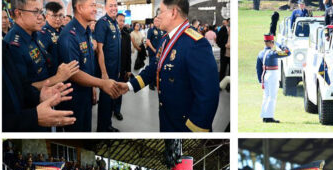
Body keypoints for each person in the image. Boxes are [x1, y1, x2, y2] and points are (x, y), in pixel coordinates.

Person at [124, 0, 220, 132]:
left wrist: (195, 132)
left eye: (160, 12)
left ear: (173, 12)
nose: (158, 17)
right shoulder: (166, 39)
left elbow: (208, 94)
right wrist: (129, 85)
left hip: (184, 126)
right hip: (167, 119)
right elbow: (154, 67)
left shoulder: (196, 44)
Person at [59, 0, 125, 132]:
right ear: (79, 8)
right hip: (74, 96)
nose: (95, 9)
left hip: (86, 92)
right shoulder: (69, 35)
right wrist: (101, 82)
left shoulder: (86, 31)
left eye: (95, 5)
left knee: (86, 129)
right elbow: (74, 73)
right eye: (92, 5)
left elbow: (88, 63)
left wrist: (93, 87)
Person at [93, 0, 122, 132]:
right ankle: (102, 130)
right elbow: (100, 50)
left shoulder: (115, 23)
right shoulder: (102, 23)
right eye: (111, 5)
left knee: (111, 100)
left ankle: (108, 125)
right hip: (107, 70)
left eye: (115, 5)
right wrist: (104, 73)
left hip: (115, 69)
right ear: (105, 7)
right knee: (105, 101)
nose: (113, 8)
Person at [256, 34, 290, 123]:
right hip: (272, 75)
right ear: (271, 42)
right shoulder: (272, 53)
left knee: (266, 96)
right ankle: (269, 117)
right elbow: (288, 52)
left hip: (265, 75)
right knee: (272, 96)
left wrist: (260, 80)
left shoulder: (260, 53)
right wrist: (280, 44)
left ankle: (264, 115)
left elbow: (258, 68)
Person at [37, 2, 65, 75]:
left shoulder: (64, 31)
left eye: (60, 15)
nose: (58, 19)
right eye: (54, 16)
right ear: (46, 16)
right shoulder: (42, 34)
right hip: (53, 76)